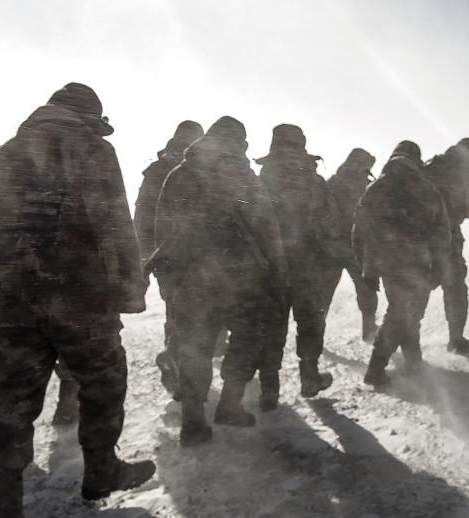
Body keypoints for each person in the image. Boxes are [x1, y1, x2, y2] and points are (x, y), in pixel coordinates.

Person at [0, 83, 154, 516]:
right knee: (103, 381)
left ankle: (5, 500)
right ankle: (101, 473)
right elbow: (113, 223)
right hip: (78, 292)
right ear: (90, 118)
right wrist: (129, 287)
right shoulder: (93, 150)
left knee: (12, 394)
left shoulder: (6, 153)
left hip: (11, 294)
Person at [151, 116, 288, 445]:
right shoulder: (244, 177)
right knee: (247, 338)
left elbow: (163, 230)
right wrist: (278, 275)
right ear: (240, 143)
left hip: (190, 279)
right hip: (242, 280)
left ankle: (194, 421)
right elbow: (267, 230)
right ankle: (228, 404)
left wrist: (168, 278)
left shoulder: (179, 174)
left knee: (194, 347)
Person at [256, 124, 344, 403]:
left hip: (271, 268)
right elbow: (330, 224)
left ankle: (269, 391)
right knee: (310, 324)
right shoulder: (314, 182)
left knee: (272, 328)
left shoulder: (260, 180)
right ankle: (309, 378)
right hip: (307, 267)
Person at [354, 141, 451, 385]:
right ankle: (376, 370)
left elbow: (360, 231)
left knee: (404, 310)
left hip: (387, 262)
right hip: (418, 261)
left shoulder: (376, 187)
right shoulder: (426, 187)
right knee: (404, 313)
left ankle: (413, 361)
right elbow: (441, 230)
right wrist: (440, 265)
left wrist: (367, 267)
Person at [134, 120, 204, 396]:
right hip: (197, 257)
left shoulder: (155, 171)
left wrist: (146, 259)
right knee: (200, 316)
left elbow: (141, 218)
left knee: (175, 311)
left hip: (164, 258)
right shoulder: (197, 169)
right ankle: (180, 364)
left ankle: (176, 362)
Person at [423, 138, 469, 354]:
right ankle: (456, 340)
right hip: (447, 238)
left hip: (422, 238)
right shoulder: (465, 172)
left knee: (415, 291)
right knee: (455, 288)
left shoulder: (431, 165)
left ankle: (403, 346)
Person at [321, 148, 380, 342]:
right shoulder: (369, 187)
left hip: (331, 248)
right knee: (367, 289)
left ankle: (315, 334)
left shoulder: (332, 183)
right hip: (357, 248)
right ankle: (369, 331)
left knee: (324, 294)